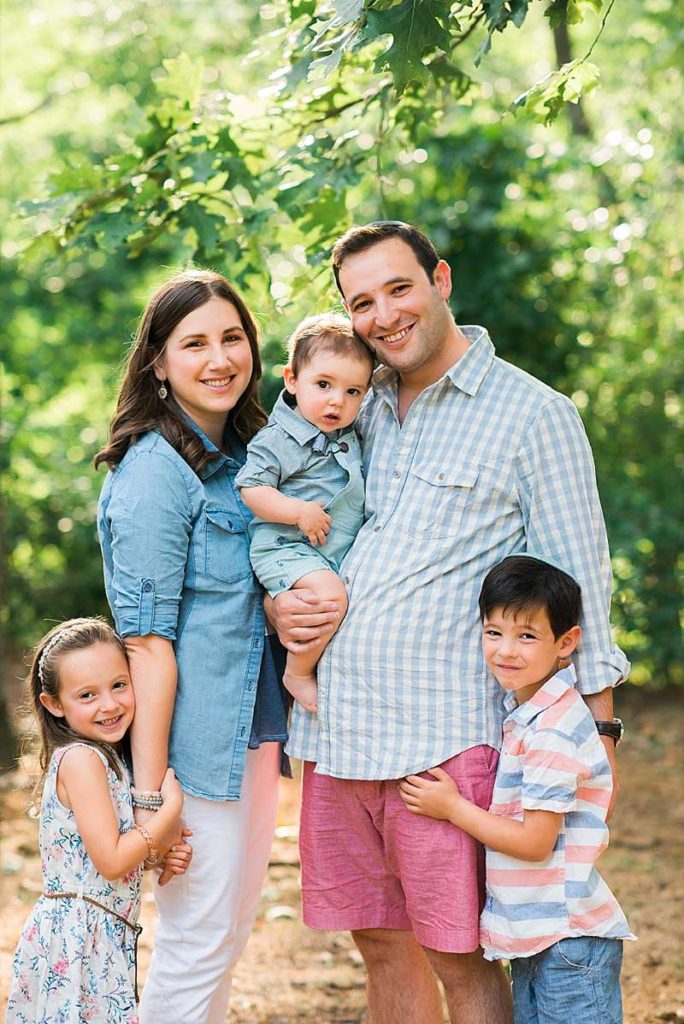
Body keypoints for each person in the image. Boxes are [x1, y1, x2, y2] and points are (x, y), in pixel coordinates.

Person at [270, 221, 629, 1024]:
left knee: (458, 950)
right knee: (380, 943)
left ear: (441, 279)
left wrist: (601, 737)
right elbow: (282, 518)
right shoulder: (350, 405)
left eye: (399, 288)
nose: (384, 314)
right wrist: (278, 600)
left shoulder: (534, 415)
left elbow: (581, 591)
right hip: (336, 736)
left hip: (448, 746)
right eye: (361, 302)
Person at [95, 270, 289, 1024]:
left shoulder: (246, 461)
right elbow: (146, 647)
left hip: (252, 735)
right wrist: (150, 804)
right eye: (195, 343)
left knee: (226, 936)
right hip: (190, 752)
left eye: (233, 337)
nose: (220, 358)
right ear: (158, 362)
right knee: (196, 942)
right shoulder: (153, 475)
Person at [400, 556, 634, 1024]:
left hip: (568, 941)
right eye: (494, 632)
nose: (506, 650)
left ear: (566, 643)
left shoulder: (552, 729)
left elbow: (534, 841)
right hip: (537, 934)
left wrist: (452, 809)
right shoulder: (528, 714)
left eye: (527, 635)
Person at [6, 617, 191, 1024]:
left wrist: (157, 857)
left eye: (119, 685)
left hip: (100, 932)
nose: (109, 704)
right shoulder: (81, 761)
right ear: (54, 704)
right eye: (87, 695)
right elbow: (110, 860)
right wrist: (168, 815)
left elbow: (100, 861)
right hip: (77, 938)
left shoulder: (108, 760)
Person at [236, 312, 374, 713]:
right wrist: (297, 511)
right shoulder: (279, 439)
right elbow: (252, 488)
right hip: (284, 546)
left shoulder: (348, 435)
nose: (337, 400)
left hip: (322, 552)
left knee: (334, 599)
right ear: (292, 380)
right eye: (324, 385)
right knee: (330, 598)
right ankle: (296, 673)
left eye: (353, 392)